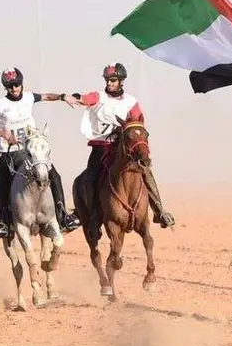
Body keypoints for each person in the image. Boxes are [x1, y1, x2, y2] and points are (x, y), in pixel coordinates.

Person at [0, 67, 82, 239]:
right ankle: (3, 222)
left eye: (17, 85)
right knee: (1, 182)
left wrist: (63, 97)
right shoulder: (0, 105)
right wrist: (3, 133)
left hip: (31, 150)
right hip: (10, 153)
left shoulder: (29, 97)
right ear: (5, 87)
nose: (14, 88)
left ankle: (62, 215)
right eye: (10, 86)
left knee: (54, 175)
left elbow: (46, 97)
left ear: (21, 84)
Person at [73, 62, 175, 228]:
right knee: (90, 176)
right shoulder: (99, 97)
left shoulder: (131, 102)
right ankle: (90, 215)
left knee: (145, 172)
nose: (109, 83)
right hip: (101, 147)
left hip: (124, 150)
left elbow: (138, 124)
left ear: (121, 81)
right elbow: (85, 99)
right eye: (107, 80)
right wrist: (75, 98)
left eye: (113, 80)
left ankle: (159, 212)